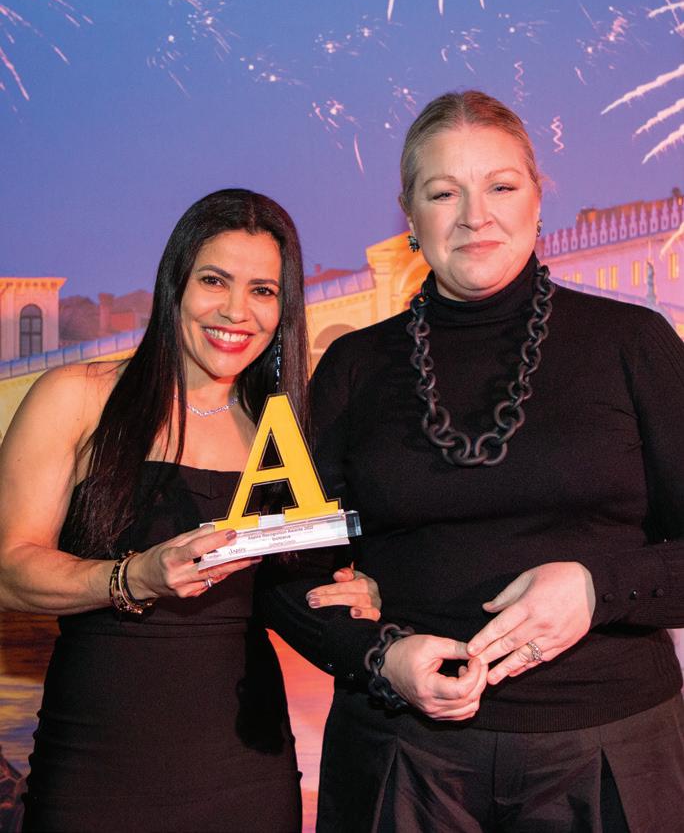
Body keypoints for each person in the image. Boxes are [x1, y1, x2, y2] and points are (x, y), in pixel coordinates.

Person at [265, 92, 684, 832]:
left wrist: (597, 587)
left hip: (611, 747)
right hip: (400, 751)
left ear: (537, 199)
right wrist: (379, 658)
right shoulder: (351, 368)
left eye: (500, 186)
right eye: (443, 193)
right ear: (409, 214)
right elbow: (277, 566)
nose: (474, 216)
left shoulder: (635, 343)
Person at [0, 188, 380, 833]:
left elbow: (295, 587)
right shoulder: (77, 397)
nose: (236, 310)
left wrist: (361, 588)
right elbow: (10, 571)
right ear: (175, 283)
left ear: (284, 309)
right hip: (94, 768)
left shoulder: (285, 434)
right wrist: (134, 576)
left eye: (263, 290)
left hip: (247, 772)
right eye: (214, 280)